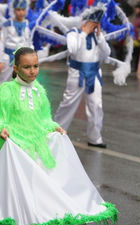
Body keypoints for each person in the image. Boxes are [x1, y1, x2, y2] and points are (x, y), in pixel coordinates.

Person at [0, 44, 118, 225]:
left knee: (47, 181)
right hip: (18, 145)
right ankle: (21, 221)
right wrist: (0, 129)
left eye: (35, 66)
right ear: (16, 68)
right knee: (23, 186)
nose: (32, 71)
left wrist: (52, 127)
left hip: (38, 143)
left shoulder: (39, 91)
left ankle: (52, 223)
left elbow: (44, 117)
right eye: (27, 67)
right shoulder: (7, 91)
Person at [54, 9, 111, 148]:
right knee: (68, 103)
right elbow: (73, 49)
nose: (93, 25)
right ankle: (55, 132)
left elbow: (106, 54)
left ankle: (95, 137)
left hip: (94, 73)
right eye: (91, 22)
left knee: (96, 105)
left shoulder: (98, 36)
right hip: (77, 73)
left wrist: (100, 36)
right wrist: (84, 33)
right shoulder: (74, 33)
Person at [0, 0, 32, 86]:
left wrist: (31, 58)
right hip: (8, 58)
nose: (21, 12)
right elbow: (2, 42)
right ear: (14, 10)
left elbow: (29, 42)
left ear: (26, 10)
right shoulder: (7, 24)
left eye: (23, 9)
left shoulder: (27, 24)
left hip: (23, 59)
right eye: (18, 10)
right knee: (3, 82)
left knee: (21, 83)